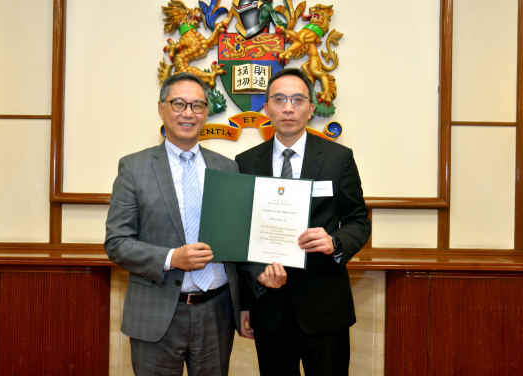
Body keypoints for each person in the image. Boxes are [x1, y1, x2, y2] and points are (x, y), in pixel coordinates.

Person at [235, 68, 371, 376]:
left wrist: (335, 242)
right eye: (279, 99)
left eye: (297, 100)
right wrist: (250, 291)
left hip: (324, 308)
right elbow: (239, 235)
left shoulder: (339, 158)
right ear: (266, 107)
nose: (288, 108)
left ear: (310, 108)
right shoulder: (244, 162)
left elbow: (359, 220)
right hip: (268, 306)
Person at [105, 73, 241, 376]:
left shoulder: (227, 167)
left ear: (207, 112)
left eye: (197, 105)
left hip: (216, 311)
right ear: (161, 108)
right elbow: (116, 243)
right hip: (157, 312)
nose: (188, 113)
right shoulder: (134, 167)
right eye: (179, 104)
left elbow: (236, 240)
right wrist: (171, 258)